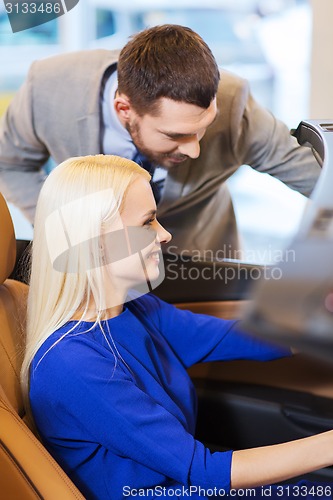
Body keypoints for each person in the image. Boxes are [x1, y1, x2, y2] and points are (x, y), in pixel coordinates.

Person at [21, 154, 333, 499]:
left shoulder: (135, 309)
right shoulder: (73, 364)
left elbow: (237, 337)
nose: (165, 235)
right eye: (147, 223)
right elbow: (204, 472)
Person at [0, 25, 320, 257]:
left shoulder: (235, 104)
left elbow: (318, 178)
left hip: (197, 262)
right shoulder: (47, 88)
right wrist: (66, 224)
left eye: (203, 127)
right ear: (124, 109)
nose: (194, 149)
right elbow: (9, 165)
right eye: (175, 135)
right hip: (87, 269)